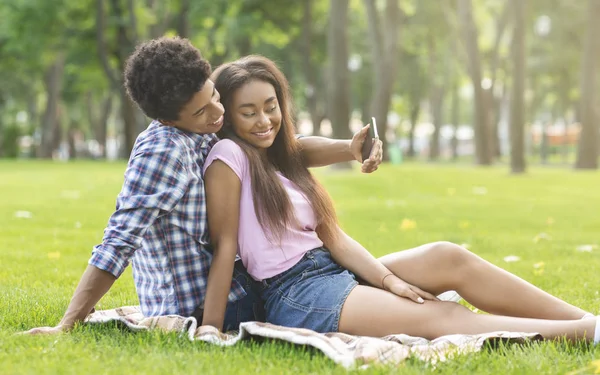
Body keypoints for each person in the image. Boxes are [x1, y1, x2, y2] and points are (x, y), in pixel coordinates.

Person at [201, 55, 600, 343]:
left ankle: (589, 321)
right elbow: (225, 248)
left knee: (448, 256)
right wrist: (209, 328)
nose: (264, 120)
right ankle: (584, 334)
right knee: (441, 314)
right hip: (295, 294)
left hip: (330, 271)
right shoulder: (230, 156)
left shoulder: (279, 159)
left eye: (271, 108)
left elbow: (334, 238)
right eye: (248, 112)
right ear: (229, 118)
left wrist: (389, 280)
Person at [23, 37, 383, 335]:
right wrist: (66, 325)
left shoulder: (206, 129)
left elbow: (285, 146)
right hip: (205, 307)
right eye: (201, 111)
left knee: (389, 279)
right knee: (375, 297)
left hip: (251, 287)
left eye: (214, 95)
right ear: (167, 119)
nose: (217, 112)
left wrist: (347, 149)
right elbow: (119, 241)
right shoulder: (161, 153)